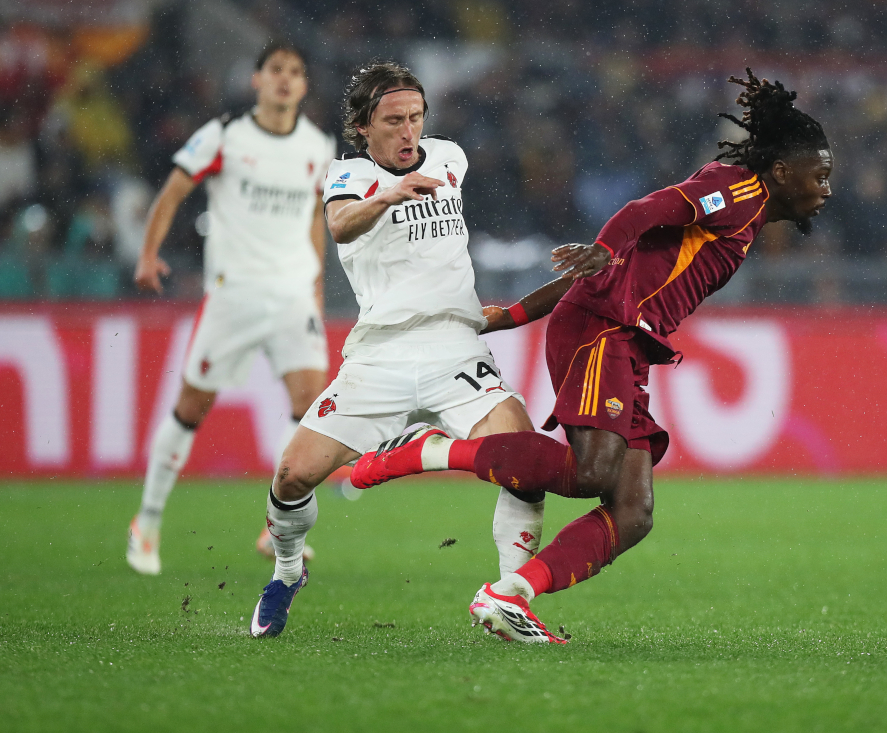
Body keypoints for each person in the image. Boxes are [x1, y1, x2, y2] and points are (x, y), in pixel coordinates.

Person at [350, 70, 835, 643]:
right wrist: (603, 247)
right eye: (820, 174)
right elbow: (644, 211)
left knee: (633, 510)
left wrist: (514, 315)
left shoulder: (749, 212)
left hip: (621, 335)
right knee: (593, 471)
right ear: (782, 172)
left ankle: (512, 595)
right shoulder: (738, 191)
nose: (827, 187)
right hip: (606, 330)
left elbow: (609, 270)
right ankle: (429, 450)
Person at [248, 61, 556, 638]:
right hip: (380, 356)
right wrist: (389, 194)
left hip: (456, 349)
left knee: (526, 464)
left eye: (415, 117)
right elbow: (340, 227)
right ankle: (287, 574)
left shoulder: (450, 158)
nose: (408, 131)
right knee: (291, 476)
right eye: (393, 121)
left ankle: (512, 597)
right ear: (363, 126)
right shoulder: (345, 177)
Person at [127, 42, 336, 575]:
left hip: (293, 293)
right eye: (275, 70)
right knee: (192, 407)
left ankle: (278, 526)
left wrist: (316, 280)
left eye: (295, 71)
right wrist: (149, 255)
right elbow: (174, 191)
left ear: (304, 85)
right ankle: (147, 521)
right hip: (235, 293)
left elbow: (315, 213)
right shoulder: (225, 134)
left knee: (312, 408)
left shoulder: (319, 145)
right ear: (256, 80)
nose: (285, 79)